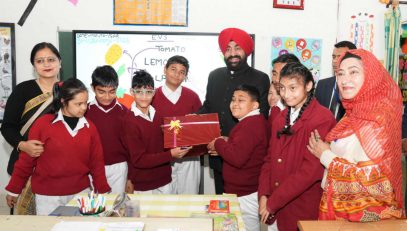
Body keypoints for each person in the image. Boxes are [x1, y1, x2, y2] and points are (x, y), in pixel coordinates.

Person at [307, 49, 404, 221]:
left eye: (354, 72)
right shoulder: (355, 112)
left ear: (370, 75)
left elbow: (373, 183)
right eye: (340, 73)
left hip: (365, 220)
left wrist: (325, 155)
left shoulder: (377, 118)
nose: (345, 80)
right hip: (343, 214)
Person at [5, 78, 111, 216]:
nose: (84, 107)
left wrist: (103, 190)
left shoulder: (89, 127)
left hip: (81, 194)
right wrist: (14, 190)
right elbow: (26, 161)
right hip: (48, 197)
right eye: (78, 104)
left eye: (85, 103)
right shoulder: (43, 125)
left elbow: (96, 163)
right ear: (63, 101)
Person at [258, 62, 336, 231]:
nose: (286, 94)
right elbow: (269, 159)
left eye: (293, 88)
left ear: (308, 86)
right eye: (282, 88)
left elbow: (310, 171)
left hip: (301, 209)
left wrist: (273, 202)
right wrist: (264, 194)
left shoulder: (322, 118)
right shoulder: (281, 117)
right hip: (275, 208)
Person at [198, 27, 270, 194]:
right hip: (216, 153)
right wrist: (194, 118)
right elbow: (208, 106)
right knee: (223, 207)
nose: (232, 53)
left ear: (246, 50)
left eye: (237, 48)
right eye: (228, 49)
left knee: (244, 209)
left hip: (245, 159)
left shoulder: (260, 78)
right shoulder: (214, 76)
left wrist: (229, 143)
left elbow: (262, 116)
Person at [1, 42, 61, 215]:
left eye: (51, 59)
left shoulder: (69, 90)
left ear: (59, 62)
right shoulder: (23, 90)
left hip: (58, 167)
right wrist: (22, 145)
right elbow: (8, 127)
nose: (46, 64)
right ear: (34, 65)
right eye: (40, 61)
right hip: (25, 163)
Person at [207, 84, 269, 231]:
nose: (235, 103)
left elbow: (237, 158)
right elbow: (244, 149)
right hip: (247, 191)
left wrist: (219, 142)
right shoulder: (254, 121)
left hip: (245, 194)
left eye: (241, 100)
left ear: (255, 105)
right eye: (233, 99)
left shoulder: (250, 125)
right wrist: (227, 144)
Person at [121, 70, 191, 194]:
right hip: (143, 186)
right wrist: (171, 154)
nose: (144, 97)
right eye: (139, 92)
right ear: (132, 92)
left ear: (154, 93)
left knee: (169, 214)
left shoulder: (159, 116)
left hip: (165, 181)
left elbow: (165, 143)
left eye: (148, 92)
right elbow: (139, 160)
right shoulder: (129, 121)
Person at [152, 55, 202, 194]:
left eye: (182, 72)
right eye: (173, 69)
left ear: (185, 76)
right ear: (165, 70)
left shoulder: (193, 97)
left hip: (189, 157)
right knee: (163, 202)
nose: (177, 74)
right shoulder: (152, 96)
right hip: (162, 157)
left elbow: (201, 128)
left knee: (189, 197)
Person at [85, 65, 129, 194]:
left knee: (115, 207)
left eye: (112, 91)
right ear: (93, 88)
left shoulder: (125, 112)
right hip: (91, 167)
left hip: (119, 167)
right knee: (94, 208)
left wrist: (130, 177)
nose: (107, 97)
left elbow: (130, 146)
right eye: (101, 91)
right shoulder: (84, 111)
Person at [315, 41, 356, 121]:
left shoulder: (356, 87)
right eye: (334, 57)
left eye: (340, 57)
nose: (335, 61)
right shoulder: (322, 84)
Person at [268, 53, 300, 124]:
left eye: (282, 73)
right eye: (274, 74)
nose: (276, 79)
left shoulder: (305, 108)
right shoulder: (275, 107)